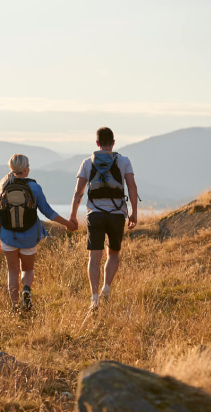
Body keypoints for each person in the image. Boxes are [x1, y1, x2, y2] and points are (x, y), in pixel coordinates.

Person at [0, 154, 76, 312]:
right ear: (25, 169)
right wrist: (67, 224)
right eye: (28, 166)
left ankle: (15, 306)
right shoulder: (34, 188)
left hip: (8, 236)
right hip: (29, 236)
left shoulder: (3, 185)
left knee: (12, 271)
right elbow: (48, 212)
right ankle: (26, 290)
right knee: (27, 269)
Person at [68, 127, 138, 310]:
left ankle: (94, 297)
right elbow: (132, 188)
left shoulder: (87, 162)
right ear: (113, 142)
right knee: (113, 253)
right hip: (117, 214)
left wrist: (73, 215)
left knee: (94, 256)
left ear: (97, 143)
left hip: (95, 214)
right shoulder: (123, 161)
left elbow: (78, 192)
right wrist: (134, 213)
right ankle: (106, 287)